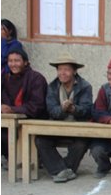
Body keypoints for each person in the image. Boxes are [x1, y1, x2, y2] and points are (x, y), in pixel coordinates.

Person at [35, 53, 93, 183]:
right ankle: (63, 170)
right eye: (60, 69)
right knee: (41, 140)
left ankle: (60, 169)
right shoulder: (52, 87)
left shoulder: (85, 86)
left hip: (77, 127)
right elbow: (51, 110)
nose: (62, 73)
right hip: (57, 127)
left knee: (82, 143)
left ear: (74, 71)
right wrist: (62, 109)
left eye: (66, 69)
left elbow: (87, 110)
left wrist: (74, 109)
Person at [1, 47, 48, 162]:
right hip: (8, 122)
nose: (13, 64)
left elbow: (37, 106)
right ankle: (10, 158)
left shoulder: (36, 78)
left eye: (17, 61)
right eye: (10, 61)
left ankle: (27, 159)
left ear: (25, 62)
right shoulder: (4, 79)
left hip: (33, 121)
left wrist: (12, 109)